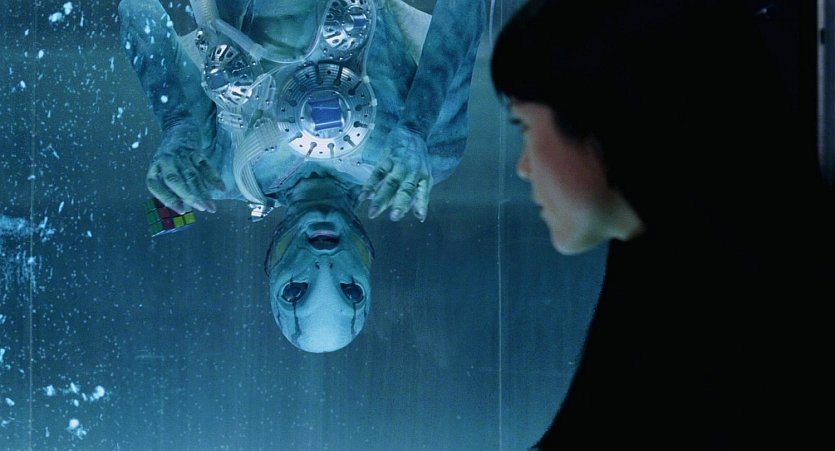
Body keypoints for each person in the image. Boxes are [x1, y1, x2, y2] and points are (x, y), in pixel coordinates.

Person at [491, 0, 835, 447]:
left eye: (523, 126)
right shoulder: (683, 290)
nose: (523, 167)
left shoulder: (725, 342)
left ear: (602, 122)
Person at [118, 0, 485, 352]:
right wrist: (416, 126)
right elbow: (466, 7)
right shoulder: (429, 158)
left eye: (295, 291)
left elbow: (135, 10)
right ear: (368, 262)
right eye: (350, 290)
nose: (324, 262)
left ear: (272, 264)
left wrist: (176, 123)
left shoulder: (216, 172)